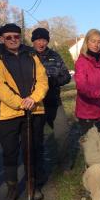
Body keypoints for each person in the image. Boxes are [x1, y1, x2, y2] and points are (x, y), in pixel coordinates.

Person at [0, 23, 48, 200]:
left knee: (32, 149)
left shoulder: (31, 54)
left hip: (34, 109)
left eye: (16, 36)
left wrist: (34, 98)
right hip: (8, 114)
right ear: (2, 39)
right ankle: (12, 188)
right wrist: (20, 103)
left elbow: (42, 79)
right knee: (10, 152)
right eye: (9, 37)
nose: (13, 40)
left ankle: (33, 185)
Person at [31, 28, 71, 168]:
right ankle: (37, 167)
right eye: (38, 40)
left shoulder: (55, 56)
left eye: (44, 40)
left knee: (63, 132)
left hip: (54, 101)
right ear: (33, 41)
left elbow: (66, 76)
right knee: (36, 138)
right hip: (35, 104)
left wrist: (55, 81)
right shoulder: (27, 56)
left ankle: (64, 162)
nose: (41, 43)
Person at [75, 29, 100, 135]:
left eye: (99, 42)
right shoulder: (81, 62)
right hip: (88, 112)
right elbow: (82, 86)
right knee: (92, 147)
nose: (96, 44)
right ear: (87, 42)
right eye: (93, 41)